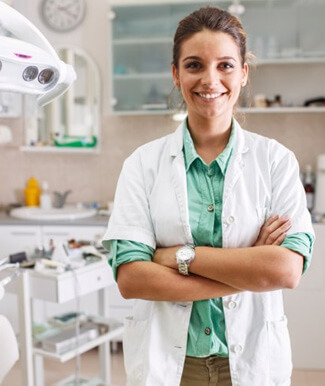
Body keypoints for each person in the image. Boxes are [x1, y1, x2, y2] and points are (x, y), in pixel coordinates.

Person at [102, 6, 314, 386]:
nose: (210, 79)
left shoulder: (276, 160)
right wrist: (249, 270)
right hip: (170, 364)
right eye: (195, 65)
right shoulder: (142, 164)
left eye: (226, 65)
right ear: (176, 74)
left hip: (250, 360)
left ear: (244, 74)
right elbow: (132, 278)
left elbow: (285, 270)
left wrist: (176, 257)